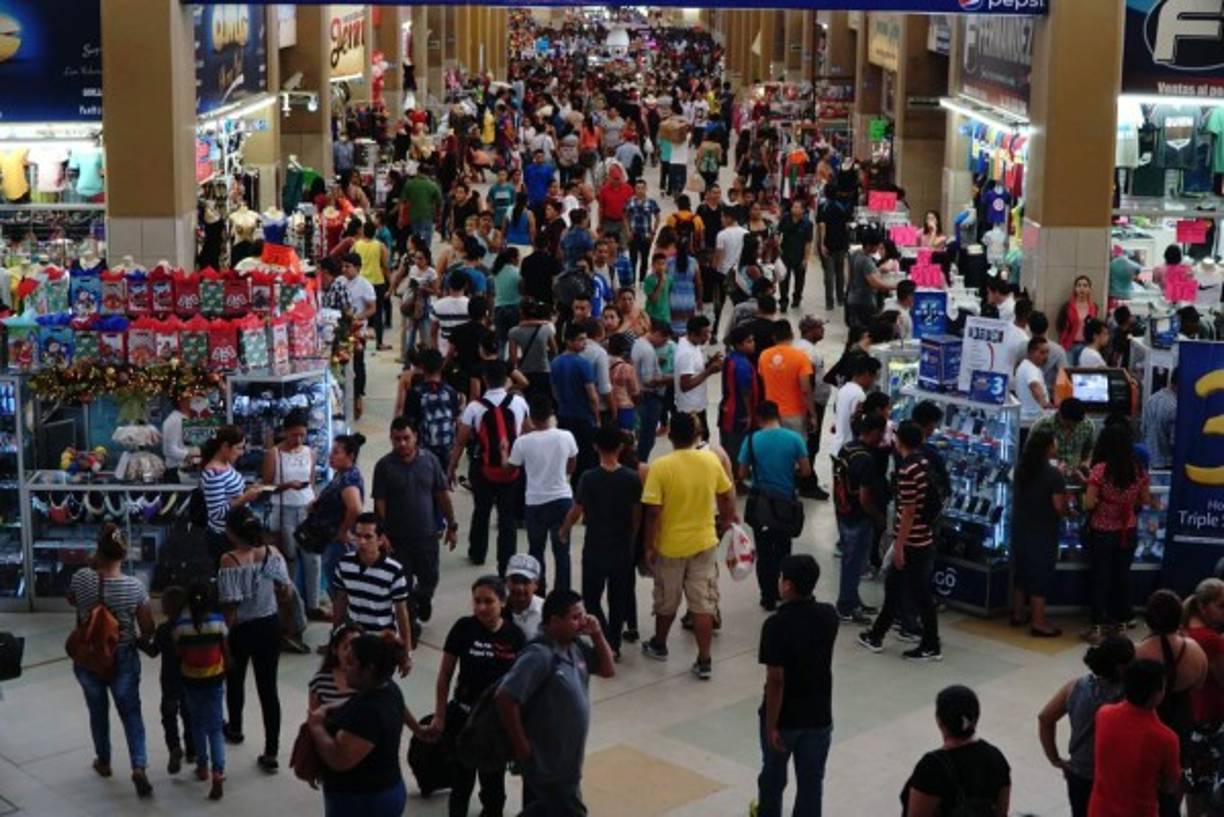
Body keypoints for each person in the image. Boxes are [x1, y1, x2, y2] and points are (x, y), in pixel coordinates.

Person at [495, 589, 616, 816]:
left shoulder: (575, 646)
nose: (582, 622)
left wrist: (597, 634)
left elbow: (607, 669)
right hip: (547, 765)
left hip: (567, 762)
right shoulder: (539, 655)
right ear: (554, 621)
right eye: (575, 617)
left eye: (583, 615)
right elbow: (505, 697)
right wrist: (522, 746)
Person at [641, 414, 739, 680]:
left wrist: (649, 545)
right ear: (698, 435)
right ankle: (704, 659)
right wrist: (727, 522)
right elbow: (726, 495)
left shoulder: (660, 467)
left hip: (670, 545)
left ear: (670, 436)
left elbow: (653, 512)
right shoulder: (711, 460)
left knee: (667, 599)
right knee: (702, 603)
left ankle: (659, 644)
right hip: (704, 542)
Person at [68, 523, 155, 796]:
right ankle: (138, 766)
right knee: (131, 713)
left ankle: (104, 761)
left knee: (97, 711)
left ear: (98, 549)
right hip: (123, 656)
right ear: (124, 555)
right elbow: (148, 628)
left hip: (89, 655)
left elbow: (72, 601)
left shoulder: (82, 577)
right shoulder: (135, 587)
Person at [432, 576, 526, 817]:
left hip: (494, 727)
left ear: (503, 603)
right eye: (477, 601)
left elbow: (521, 687)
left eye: (489, 601)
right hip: (462, 720)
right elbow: (444, 676)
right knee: (461, 786)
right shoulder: (463, 628)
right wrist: (440, 716)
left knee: (494, 790)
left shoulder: (515, 636)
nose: (482, 607)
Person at [754, 554, 838, 817]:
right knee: (812, 785)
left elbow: (776, 680)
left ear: (787, 585)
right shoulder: (828, 616)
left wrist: (771, 723)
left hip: (785, 718)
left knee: (772, 780)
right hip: (818, 714)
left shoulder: (776, 625)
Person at [309, 634, 421, 817]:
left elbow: (340, 759)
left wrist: (316, 728)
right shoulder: (388, 689)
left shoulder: (368, 713)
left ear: (369, 669)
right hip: (384, 789)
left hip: (363, 801)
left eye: (351, 663)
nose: (344, 668)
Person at [858, 422, 942, 661]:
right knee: (895, 589)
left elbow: (908, 510)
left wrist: (900, 545)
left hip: (912, 542)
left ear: (900, 441)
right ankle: (876, 635)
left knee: (918, 593)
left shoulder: (906, 470)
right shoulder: (923, 462)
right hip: (923, 536)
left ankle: (931, 644)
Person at [559, 424, 644, 657]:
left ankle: (603, 637)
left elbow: (577, 509)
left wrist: (565, 529)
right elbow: (637, 514)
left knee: (592, 598)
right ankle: (614, 643)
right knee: (618, 598)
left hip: (595, 546)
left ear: (595, 447)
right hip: (622, 547)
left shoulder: (589, 478)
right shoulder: (631, 478)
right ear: (620, 447)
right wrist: (633, 539)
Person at [216, 506, 290, 772]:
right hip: (269, 626)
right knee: (268, 689)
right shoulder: (273, 553)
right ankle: (271, 752)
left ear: (232, 533)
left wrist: (223, 635)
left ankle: (235, 728)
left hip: (242, 629)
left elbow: (230, 605)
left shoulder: (230, 560)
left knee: (235, 680)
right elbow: (286, 591)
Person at [373, 419, 457, 630]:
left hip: (427, 535)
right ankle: (411, 626)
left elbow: (441, 494)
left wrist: (452, 525)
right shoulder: (384, 467)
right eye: (396, 439)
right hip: (397, 539)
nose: (401, 443)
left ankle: (424, 597)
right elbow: (380, 503)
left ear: (416, 437)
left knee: (430, 578)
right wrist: (381, 533)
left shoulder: (430, 461)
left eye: (406, 438)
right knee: (404, 586)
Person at [1038, 635, 1135, 817]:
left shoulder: (1075, 686)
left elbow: (1045, 718)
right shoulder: (1130, 695)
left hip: (1079, 773)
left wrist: (1055, 759)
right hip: (1114, 775)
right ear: (1123, 667)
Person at [449, 361, 529, 572]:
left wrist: (451, 468)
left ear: (485, 380)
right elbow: (527, 434)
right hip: (512, 469)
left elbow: (460, 441)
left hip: (482, 468)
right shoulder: (519, 403)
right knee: (507, 517)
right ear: (506, 380)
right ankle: (506, 563)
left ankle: (477, 552)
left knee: (482, 510)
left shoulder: (474, 407)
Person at [1134, 590, 1208, 817]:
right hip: (1181, 719)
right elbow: (1199, 686)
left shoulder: (1139, 652)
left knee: (1144, 773)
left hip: (1146, 720)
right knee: (1176, 772)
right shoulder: (1194, 650)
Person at [738, 401, 811, 611]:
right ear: (777, 415)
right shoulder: (795, 439)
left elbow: (742, 474)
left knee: (763, 552)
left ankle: (767, 597)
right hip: (786, 505)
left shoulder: (751, 440)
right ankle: (784, 591)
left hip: (761, 505)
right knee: (783, 549)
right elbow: (805, 471)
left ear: (759, 418)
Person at [1088, 659, 1181, 817]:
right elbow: (1170, 785)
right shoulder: (1166, 738)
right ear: (1155, 694)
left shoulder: (1104, 714)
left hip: (1100, 809)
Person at [1083, 423, 1151, 639]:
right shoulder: (1138, 469)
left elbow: (1089, 503)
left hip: (1102, 531)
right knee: (1122, 577)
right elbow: (1146, 500)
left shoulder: (1100, 470)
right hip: (1127, 530)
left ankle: (1096, 627)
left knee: (1100, 578)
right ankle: (1121, 624)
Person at [900, 686, 1011, 816]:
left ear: (939, 720)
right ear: (976, 718)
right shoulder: (996, 757)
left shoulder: (931, 767)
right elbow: (1002, 813)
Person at [510, 394, 579, 595]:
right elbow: (572, 465)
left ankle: (538, 593)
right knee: (562, 552)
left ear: (531, 417)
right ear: (551, 415)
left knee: (536, 550)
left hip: (535, 502)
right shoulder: (566, 436)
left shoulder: (522, 442)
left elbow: (511, 467)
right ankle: (563, 595)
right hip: (562, 499)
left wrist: (505, 453)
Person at [332, 512, 415, 660]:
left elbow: (401, 612)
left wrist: (406, 651)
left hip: (382, 642)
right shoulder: (344, 564)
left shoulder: (394, 571)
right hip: (355, 640)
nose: (361, 542)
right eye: (357, 536)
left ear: (381, 540)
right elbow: (340, 602)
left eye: (368, 537)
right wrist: (335, 636)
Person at [261, 410, 315, 634]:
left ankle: (311, 604)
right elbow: (266, 485)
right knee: (289, 558)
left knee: (313, 558)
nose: (298, 440)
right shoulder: (274, 454)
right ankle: (290, 606)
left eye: (302, 435)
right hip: (285, 510)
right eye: (294, 435)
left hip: (307, 508)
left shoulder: (310, 452)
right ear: (284, 432)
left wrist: (313, 500)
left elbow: (311, 481)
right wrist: (286, 486)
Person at [174, 580, 228, 800]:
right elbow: (225, 645)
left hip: (191, 680)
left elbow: (178, 651)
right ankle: (218, 772)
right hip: (214, 679)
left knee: (197, 724)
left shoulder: (182, 624)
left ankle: (202, 767)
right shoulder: (217, 621)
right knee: (216, 728)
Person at [1011, 428, 1069, 636]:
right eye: (1054, 443)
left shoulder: (1021, 468)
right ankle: (1038, 623)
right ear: (1047, 448)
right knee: (1040, 577)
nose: (1056, 447)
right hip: (1043, 531)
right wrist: (1068, 511)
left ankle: (1017, 614)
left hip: (1020, 528)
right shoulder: (1053, 474)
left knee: (1021, 573)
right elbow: (1058, 506)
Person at [833, 413, 887, 624]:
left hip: (843, 511)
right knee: (853, 563)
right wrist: (877, 516)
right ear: (873, 432)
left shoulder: (847, 449)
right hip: (858, 515)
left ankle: (853, 600)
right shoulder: (865, 459)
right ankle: (846, 606)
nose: (882, 437)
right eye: (881, 433)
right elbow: (865, 496)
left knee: (852, 560)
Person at [1178, 579, 1224, 817]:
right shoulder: (1210, 639)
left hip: (1188, 714)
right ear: (1204, 607)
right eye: (1221, 606)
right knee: (1206, 779)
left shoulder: (1183, 628)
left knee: (1192, 778)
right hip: (1210, 718)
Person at [139, 586, 192, 776]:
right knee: (189, 714)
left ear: (167, 608)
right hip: (189, 679)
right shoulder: (189, 628)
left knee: (169, 716)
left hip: (169, 681)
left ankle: (174, 747)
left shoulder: (163, 630)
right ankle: (192, 749)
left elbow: (153, 653)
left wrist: (139, 642)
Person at [312, 434, 367, 612]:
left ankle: (345, 630)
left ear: (350, 456)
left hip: (338, 544)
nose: (331, 456)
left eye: (336, 452)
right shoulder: (340, 475)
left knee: (341, 591)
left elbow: (355, 509)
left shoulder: (348, 479)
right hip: (331, 540)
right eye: (331, 452)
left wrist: (343, 531)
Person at [199, 426, 265, 563]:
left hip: (236, 532)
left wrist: (247, 490)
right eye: (238, 448)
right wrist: (244, 498)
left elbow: (231, 492)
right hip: (224, 537)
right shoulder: (213, 474)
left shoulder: (227, 464)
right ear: (225, 446)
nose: (241, 453)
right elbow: (216, 512)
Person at [551, 324, 600, 484]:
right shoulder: (583, 364)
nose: (584, 343)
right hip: (583, 417)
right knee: (586, 458)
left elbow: (554, 390)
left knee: (569, 454)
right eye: (580, 340)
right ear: (569, 341)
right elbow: (592, 395)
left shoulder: (556, 362)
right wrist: (597, 417)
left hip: (564, 415)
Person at [758, 320, 815, 438]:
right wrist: (813, 414)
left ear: (773, 337)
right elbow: (805, 389)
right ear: (792, 335)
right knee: (795, 451)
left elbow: (764, 381)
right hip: (795, 414)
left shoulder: (764, 356)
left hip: (771, 415)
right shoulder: (801, 357)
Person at [632, 320, 673, 462]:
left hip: (641, 396)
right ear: (657, 334)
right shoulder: (648, 351)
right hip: (649, 397)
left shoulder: (639, 343)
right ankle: (640, 464)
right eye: (664, 339)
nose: (664, 344)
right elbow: (649, 381)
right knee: (647, 437)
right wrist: (670, 379)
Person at [674, 315, 721, 439]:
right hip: (691, 408)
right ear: (693, 334)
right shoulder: (686, 353)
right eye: (705, 334)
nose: (708, 337)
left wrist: (709, 364)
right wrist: (709, 372)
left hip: (697, 403)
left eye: (709, 333)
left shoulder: (693, 345)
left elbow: (693, 371)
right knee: (699, 440)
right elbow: (685, 385)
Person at [1030, 398, 1096, 481]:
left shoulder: (1087, 426)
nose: (1072, 427)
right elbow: (1031, 457)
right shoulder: (1042, 426)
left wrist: (1085, 465)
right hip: (1047, 480)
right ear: (1059, 413)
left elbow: (1089, 452)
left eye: (1075, 424)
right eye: (1068, 424)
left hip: (1076, 478)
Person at [844, 229, 896, 332]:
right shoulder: (867, 261)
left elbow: (849, 275)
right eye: (877, 246)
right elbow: (874, 283)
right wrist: (893, 286)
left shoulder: (855, 254)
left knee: (855, 332)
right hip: (864, 302)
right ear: (869, 245)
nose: (877, 249)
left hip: (852, 297)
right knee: (865, 331)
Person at [355, 220, 392, 350]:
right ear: (375, 232)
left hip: (361, 282)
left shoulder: (356, 245)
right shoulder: (380, 246)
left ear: (364, 231)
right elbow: (386, 267)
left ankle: (358, 340)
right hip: (377, 281)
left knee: (361, 311)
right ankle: (379, 342)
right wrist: (391, 283)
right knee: (378, 312)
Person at [831, 356, 881, 454]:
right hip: (850, 448)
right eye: (874, 378)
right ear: (867, 375)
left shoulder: (844, 389)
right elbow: (857, 425)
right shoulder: (859, 395)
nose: (873, 382)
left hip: (838, 445)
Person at [309, 624, 361, 711]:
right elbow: (313, 717)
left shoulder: (367, 680)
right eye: (345, 647)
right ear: (335, 650)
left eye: (356, 648)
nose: (351, 654)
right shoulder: (320, 681)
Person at [777, 199, 813, 310]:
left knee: (799, 280)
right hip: (785, 254)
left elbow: (808, 242)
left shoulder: (807, 223)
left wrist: (806, 259)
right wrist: (777, 247)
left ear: (803, 210)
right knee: (783, 279)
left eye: (797, 207)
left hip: (800, 255)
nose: (794, 209)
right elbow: (778, 232)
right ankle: (783, 301)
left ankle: (797, 298)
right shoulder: (785, 218)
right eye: (793, 207)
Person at [626, 179, 661, 282]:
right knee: (633, 259)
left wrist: (653, 232)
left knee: (645, 259)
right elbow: (625, 216)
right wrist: (628, 231)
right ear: (634, 189)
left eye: (642, 188)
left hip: (646, 234)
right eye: (638, 188)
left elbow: (658, 217)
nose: (640, 190)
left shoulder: (651, 202)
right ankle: (632, 280)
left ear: (646, 189)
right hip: (634, 234)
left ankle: (642, 280)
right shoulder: (630, 201)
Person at [1142, 368, 1178, 470]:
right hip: (1167, 464)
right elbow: (1174, 442)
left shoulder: (1152, 399)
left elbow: (1143, 429)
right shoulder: (1175, 408)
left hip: (1150, 461)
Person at [1015, 336, 1054, 424]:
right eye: (1042, 352)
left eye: (1047, 352)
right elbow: (1034, 386)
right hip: (1032, 420)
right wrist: (1045, 404)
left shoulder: (1025, 366)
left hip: (1027, 418)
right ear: (1031, 352)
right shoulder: (1031, 369)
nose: (1046, 356)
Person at [161, 396, 199, 483]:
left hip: (192, 471)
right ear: (182, 402)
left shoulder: (192, 419)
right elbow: (168, 449)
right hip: (177, 472)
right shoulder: (173, 420)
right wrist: (188, 455)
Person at [1057, 274, 1099, 353]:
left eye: (1085, 285)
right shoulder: (1067, 307)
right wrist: (1062, 344)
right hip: (1070, 345)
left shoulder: (1094, 307)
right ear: (1075, 289)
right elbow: (1061, 326)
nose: (1081, 288)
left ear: (1089, 289)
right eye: (1079, 285)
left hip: (1087, 346)